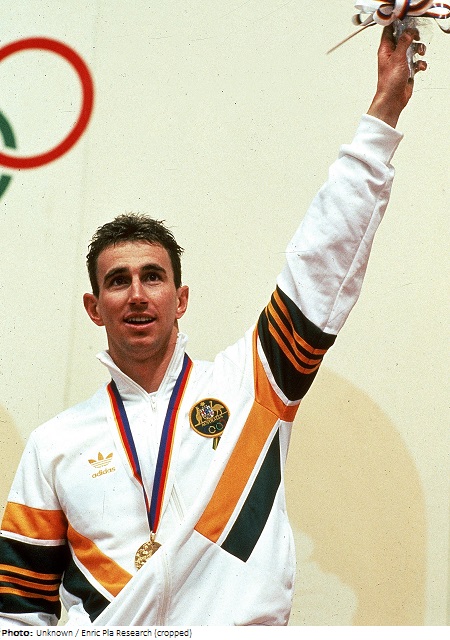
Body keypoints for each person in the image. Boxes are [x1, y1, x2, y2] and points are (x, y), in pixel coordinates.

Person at [0, 26, 426, 627]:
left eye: (153, 277)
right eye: (118, 281)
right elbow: (17, 616)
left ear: (181, 299)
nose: (137, 295)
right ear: (95, 308)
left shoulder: (253, 386)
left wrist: (383, 112)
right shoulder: (55, 446)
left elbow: (320, 262)